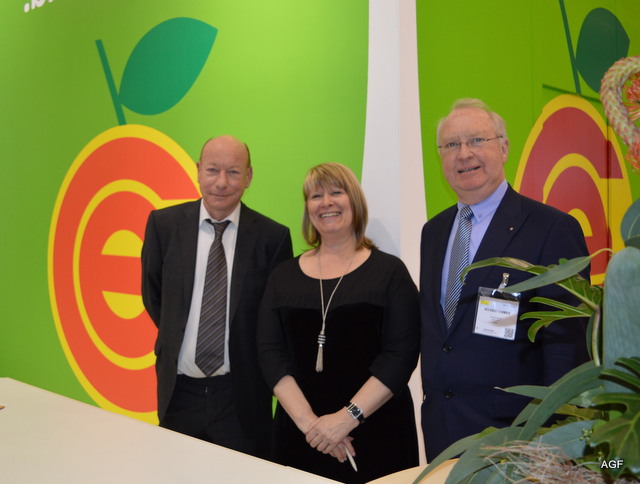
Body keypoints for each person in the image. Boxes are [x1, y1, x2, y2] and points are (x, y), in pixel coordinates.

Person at [419, 98, 590, 461]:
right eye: (451, 144)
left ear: (504, 147)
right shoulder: (433, 232)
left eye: (476, 140)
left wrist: (552, 436)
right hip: (442, 427)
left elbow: (566, 345)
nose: (464, 153)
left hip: (515, 432)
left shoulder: (551, 228)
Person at [257, 162, 420, 483]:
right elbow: (270, 354)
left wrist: (347, 419)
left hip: (376, 433)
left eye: (336, 192)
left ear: (354, 201)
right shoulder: (282, 276)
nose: (326, 202)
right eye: (315, 195)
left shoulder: (390, 272)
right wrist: (313, 427)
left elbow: (400, 356)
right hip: (300, 434)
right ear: (307, 208)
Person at [141, 135, 293, 459]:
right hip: (178, 392)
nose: (221, 183)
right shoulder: (163, 225)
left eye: (233, 172)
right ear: (198, 170)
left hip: (241, 396)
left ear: (249, 176)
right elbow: (154, 296)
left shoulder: (273, 238)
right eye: (212, 170)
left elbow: (275, 320)